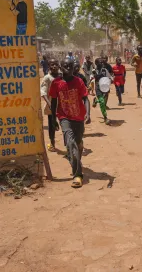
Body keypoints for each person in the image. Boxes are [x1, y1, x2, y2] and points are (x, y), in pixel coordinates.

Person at [49, 58, 91, 188]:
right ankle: (78, 175)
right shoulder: (56, 83)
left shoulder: (78, 81)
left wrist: (88, 114)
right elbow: (54, 102)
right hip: (64, 117)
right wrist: (54, 119)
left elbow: (85, 99)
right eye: (66, 66)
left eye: (71, 66)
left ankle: (77, 155)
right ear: (61, 68)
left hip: (78, 118)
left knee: (77, 144)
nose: (69, 69)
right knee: (70, 143)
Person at [40, 58, 60, 152]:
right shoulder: (47, 78)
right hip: (51, 105)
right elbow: (43, 93)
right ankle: (52, 143)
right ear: (49, 66)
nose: (54, 66)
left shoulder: (61, 76)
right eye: (52, 64)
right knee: (52, 125)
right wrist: (50, 105)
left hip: (62, 105)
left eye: (56, 64)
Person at [92, 58, 112, 125]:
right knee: (102, 102)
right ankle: (105, 117)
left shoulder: (104, 70)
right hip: (98, 87)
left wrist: (111, 80)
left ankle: (95, 101)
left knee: (103, 100)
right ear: (96, 63)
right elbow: (92, 79)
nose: (101, 63)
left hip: (105, 86)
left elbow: (109, 77)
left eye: (101, 62)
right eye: (99, 62)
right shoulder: (94, 71)